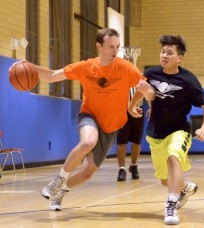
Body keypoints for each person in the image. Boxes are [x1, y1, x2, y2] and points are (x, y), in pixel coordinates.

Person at [10, 28, 154, 211]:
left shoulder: (125, 68)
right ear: (99, 46)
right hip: (90, 115)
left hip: (111, 127)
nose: (115, 51)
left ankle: (62, 191)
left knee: (86, 174)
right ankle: (59, 180)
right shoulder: (85, 67)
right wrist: (27, 65)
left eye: (117, 47)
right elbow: (52, 76)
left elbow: (148, 91)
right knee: (88, 142)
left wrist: (146, 91)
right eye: (111, 47)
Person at [128, 35, 204, 225]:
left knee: (173, 156)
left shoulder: (188, 80)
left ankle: (171, 204)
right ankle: (184, 187)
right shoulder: (151, 73)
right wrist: (132, 106)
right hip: (156, 133)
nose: (164, 55)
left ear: (180, 57)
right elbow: (143, 91)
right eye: (162, 52)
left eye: (170, 52)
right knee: (165, 180)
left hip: (179, 130)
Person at [116, 54, 145, 181]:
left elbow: (146, 92)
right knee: (121, 141)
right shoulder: (117, 78)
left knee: (136, 142)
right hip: (122, 112)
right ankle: (121, 169)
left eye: (129, 63)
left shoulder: (139, 77)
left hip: (137, 111)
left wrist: (152, 108)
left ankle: (134, 166)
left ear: (133, 64)